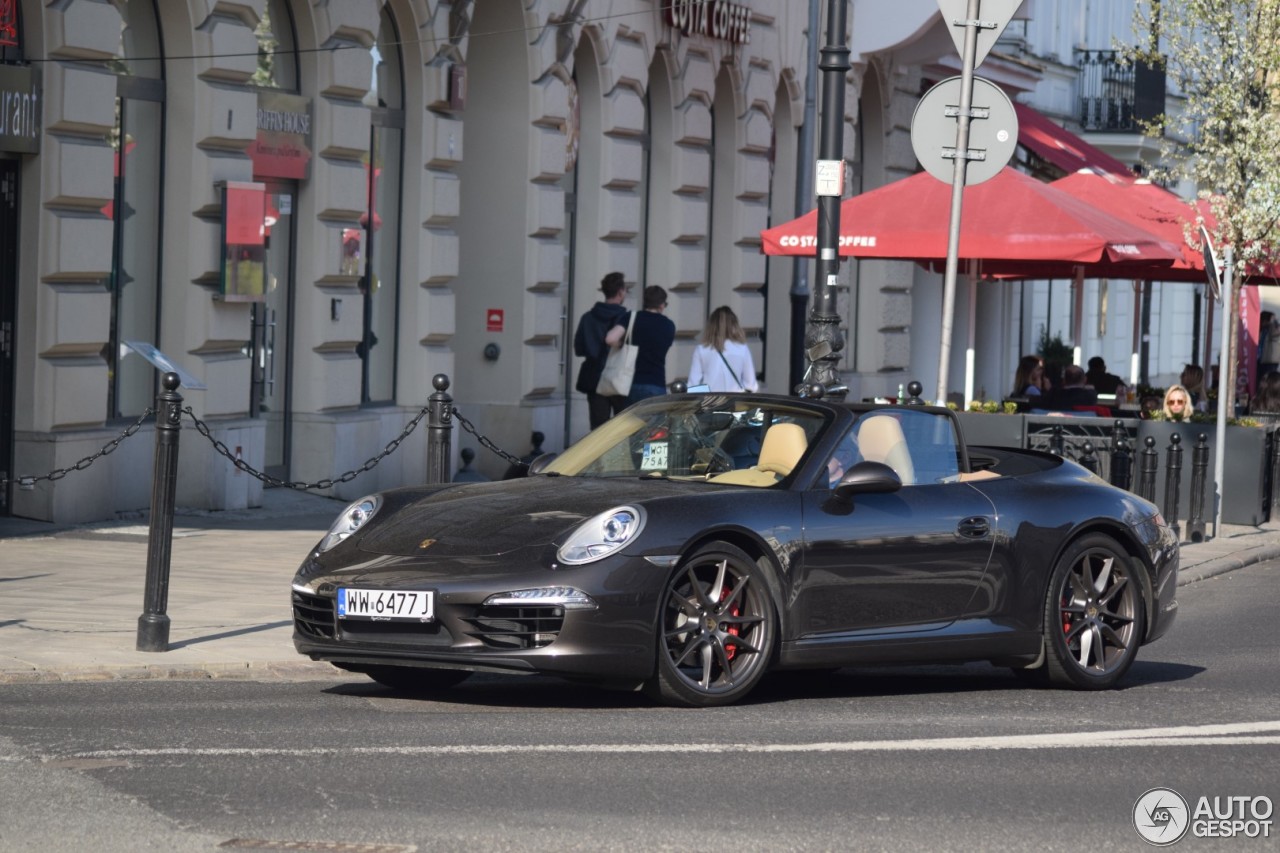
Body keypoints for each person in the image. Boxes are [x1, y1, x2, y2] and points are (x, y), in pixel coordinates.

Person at [574, 272, 629, 428]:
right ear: (620, 292)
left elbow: (579, 349)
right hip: (619, 377)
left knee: (598, 431)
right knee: (622, 429)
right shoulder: (625, 318)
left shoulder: (587, 318)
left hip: (594, 377)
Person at [605, 284, 676, 404]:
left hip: (631, 383)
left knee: (632, 422)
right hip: (656, 382)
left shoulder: (631, 317)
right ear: (661, 305)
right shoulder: (669, 325)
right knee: (655, 422)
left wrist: (623, 344)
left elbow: (610, 339)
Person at [688, 306, 759, 392]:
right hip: (735, 401)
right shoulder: (742, 349)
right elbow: (750, 385)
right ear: (734, 325)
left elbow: (693, 384)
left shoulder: (702, 349)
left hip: (710, 402)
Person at [1260, 311, 1280, 376]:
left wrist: (1272, 322)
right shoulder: (1264, 330)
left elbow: (1274, 334)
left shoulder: (1275, 329)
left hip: (1270, 361)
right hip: (1261, 360)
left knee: (1269, 380)